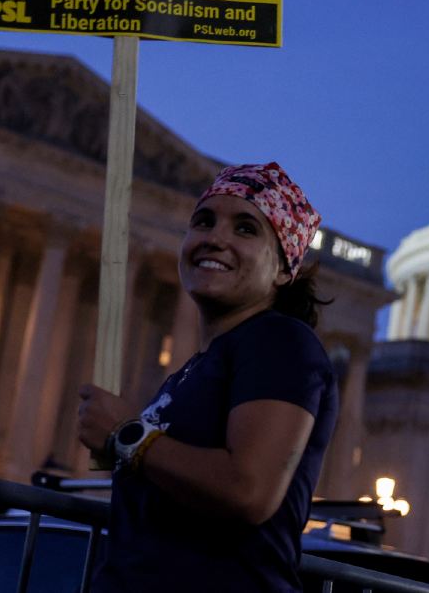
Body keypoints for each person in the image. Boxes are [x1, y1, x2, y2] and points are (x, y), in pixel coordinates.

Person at [77, 162, 339, 593]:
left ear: (282, 269)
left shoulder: (281, 342)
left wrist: (126, 434)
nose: (215, 238)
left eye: (246, 229)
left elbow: (247, 490)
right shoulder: (191, 372)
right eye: (204, 221)